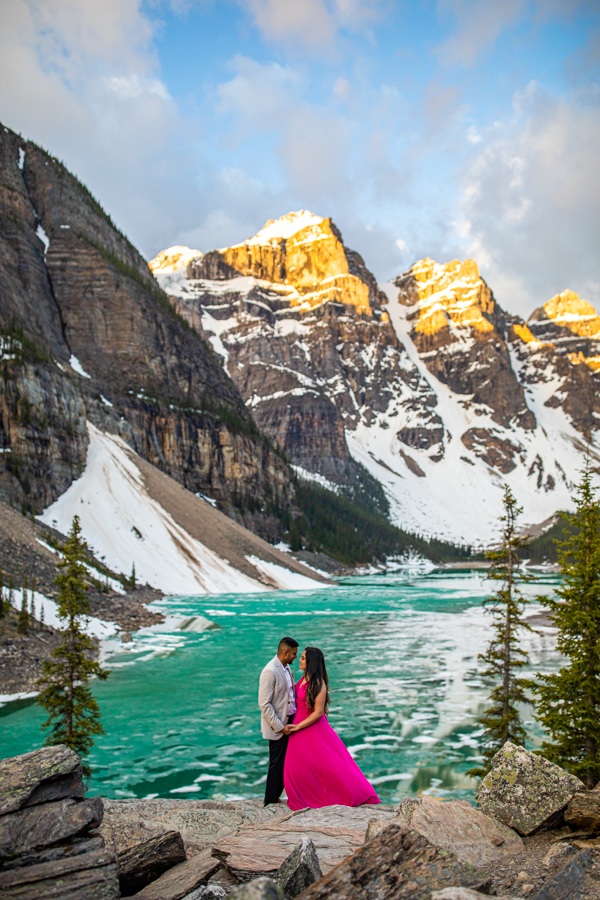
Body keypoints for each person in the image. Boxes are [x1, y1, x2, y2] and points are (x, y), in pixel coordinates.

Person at [283, 646, 381, 810]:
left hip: (311, 728)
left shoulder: (318, 683)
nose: (299, 660)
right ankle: (306, 797)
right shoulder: (303, 678)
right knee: (295, 767)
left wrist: (297, 727)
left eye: (302, 658)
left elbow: (318, 712)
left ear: (311, 662)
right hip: (299, 729)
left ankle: (353, 794)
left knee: (331, 764)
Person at [258, 636, 299, 806]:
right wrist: (280, 728)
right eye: (294, 654)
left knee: (287, 761)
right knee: (276, 763)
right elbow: (264, 704)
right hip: (278, 725)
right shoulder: (270, 671)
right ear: (285, 652)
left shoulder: (286, 667)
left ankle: (276, 796)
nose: (296, 656)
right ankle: (270, 800)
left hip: (289, 720)